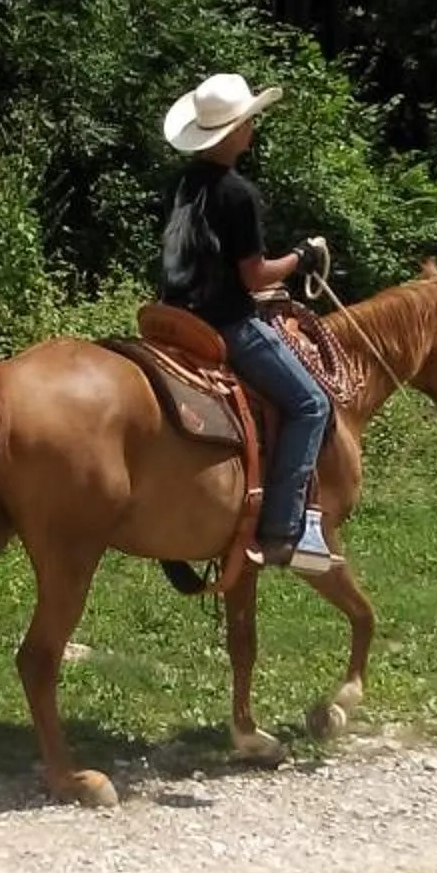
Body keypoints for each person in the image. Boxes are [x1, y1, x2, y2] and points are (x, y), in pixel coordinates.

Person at [158, 72, 336, 574]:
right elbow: (256, 277)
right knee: (311, 403)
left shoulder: (180, 182)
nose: (253, 128)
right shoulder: (237, 193)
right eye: (248, 121)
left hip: (170, 316)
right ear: (230, 132)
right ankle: (281, 530)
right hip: (222, 324)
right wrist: (301, 257)